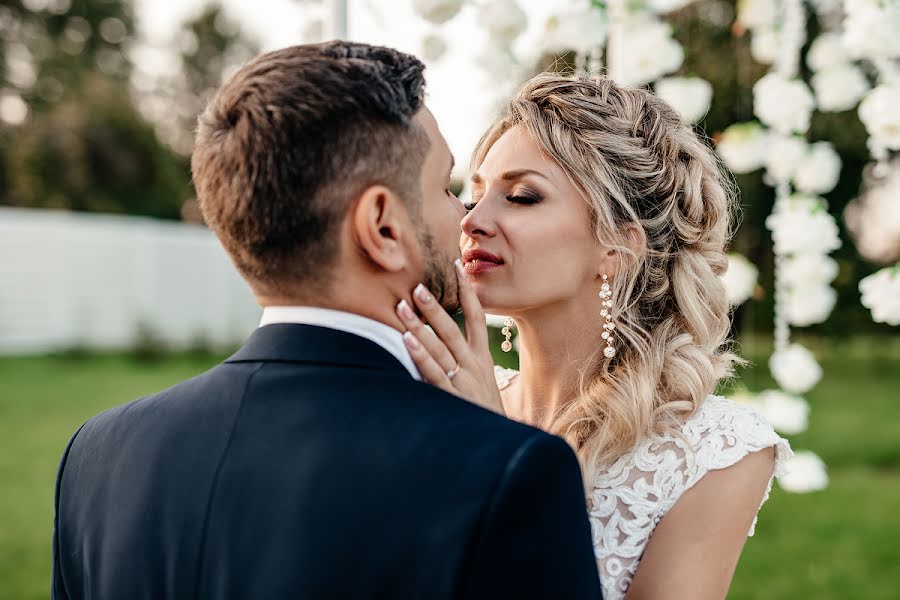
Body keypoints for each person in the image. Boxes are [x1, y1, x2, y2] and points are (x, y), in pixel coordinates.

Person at [51, 44, 603, 599]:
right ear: (382, 227)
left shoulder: (96, 454)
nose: (465, 216)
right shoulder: (506, 469)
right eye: (444, 187)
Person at [398, 73, 792, 600]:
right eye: (475, 193)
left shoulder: (711, 452)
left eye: (520, 196)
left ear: (618, 246)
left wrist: (491, 451)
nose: (474, 220)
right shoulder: (434, 391)